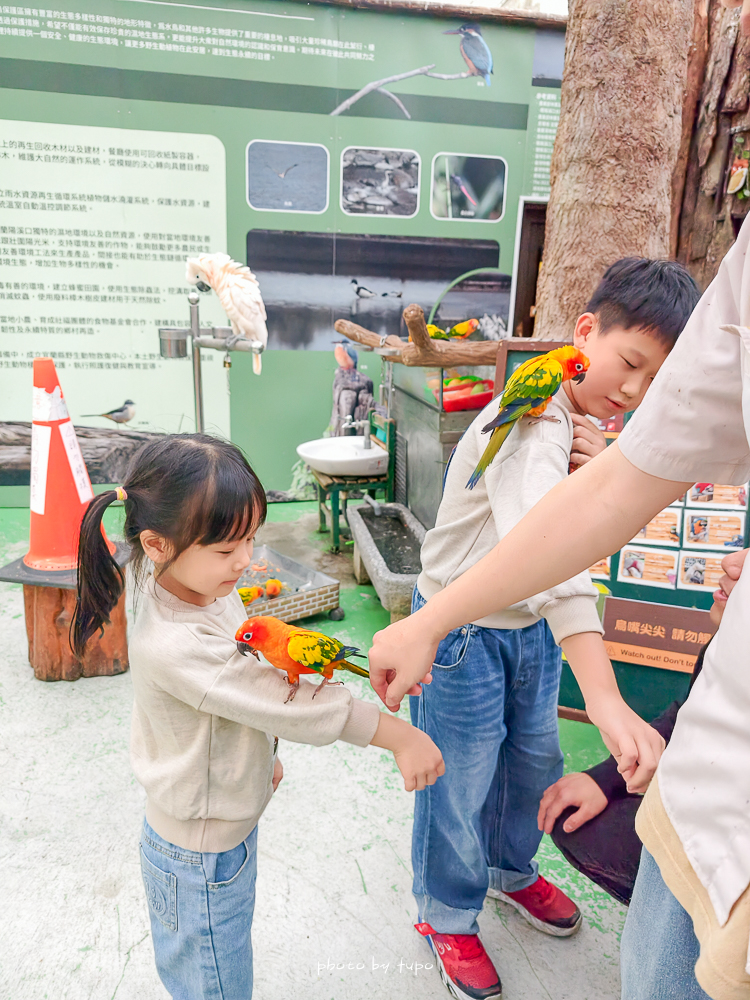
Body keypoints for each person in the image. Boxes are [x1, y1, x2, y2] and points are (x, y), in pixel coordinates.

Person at [370, 214, 750, 999]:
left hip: (530, 637)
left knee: (532, 762)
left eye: (658, 381)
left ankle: (510, 868)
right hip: (468, 632)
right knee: (460, 777)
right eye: (631, 362)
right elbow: (554, 562)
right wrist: (607, 705)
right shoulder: (539, 410)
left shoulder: (581, 426)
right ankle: (446, 911)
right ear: (584, 332)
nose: (636, 393)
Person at [72, 434, 444, 1000]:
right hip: (199, 856)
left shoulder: (190, 583)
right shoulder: (180, 645)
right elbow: (278, 699)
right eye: (227, 550)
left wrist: (259, 756)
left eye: (250, 538)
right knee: (215, 986)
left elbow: (238, 701)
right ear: (157, 544)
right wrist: (401, 737)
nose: (245, 561)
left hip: (214, 828)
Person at [539, 549, 748, 907]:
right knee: (576, 821)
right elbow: (689, 713)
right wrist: (608, 777)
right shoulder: (728, 643)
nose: (731, 563)